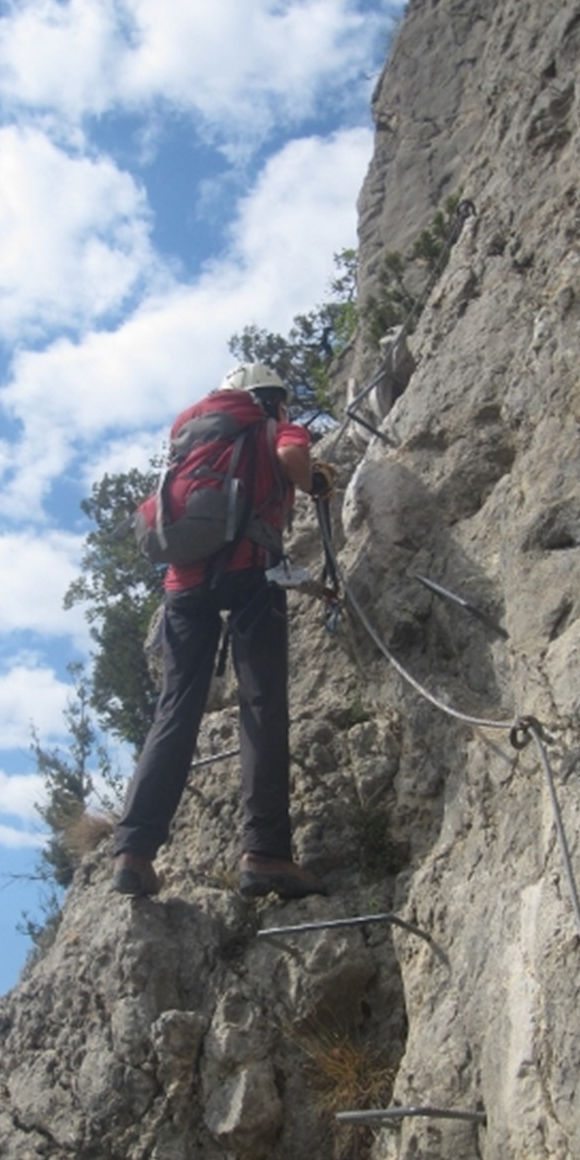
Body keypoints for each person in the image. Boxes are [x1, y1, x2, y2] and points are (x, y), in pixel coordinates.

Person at [112, 362, 332, 900]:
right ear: (273, 399)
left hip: (183, 585)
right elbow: (291, 458)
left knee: (175, 709)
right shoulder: (272, 423)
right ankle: (266, 854)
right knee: (261, 705)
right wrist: (318, 481)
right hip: (251, 572)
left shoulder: (193, 434)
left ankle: (134, 853)